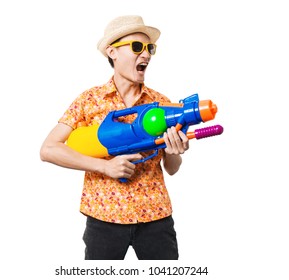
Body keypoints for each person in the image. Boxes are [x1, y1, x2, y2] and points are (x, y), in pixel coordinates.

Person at [40, 15, 189, 260]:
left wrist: (174, 151)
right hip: (103, 218)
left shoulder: (161, 103)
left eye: (149, 48)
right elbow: (48, 149)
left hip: (155, 217)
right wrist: (104, 166)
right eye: (137, 47)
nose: (146, 55)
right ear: (112, 52)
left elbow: (172, 169)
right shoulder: (89, 100)